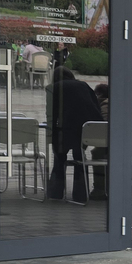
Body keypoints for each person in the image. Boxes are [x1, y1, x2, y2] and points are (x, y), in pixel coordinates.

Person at [45, 67, 102, 201]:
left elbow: (51, 113)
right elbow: (95, 106)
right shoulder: (83, 85)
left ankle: (55, 193)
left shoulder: (53, 88)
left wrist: (51, 131)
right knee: (80, 157)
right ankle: (81, 194)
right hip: (86, 129)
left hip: (65, 128)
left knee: (59, 158)